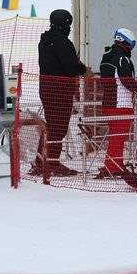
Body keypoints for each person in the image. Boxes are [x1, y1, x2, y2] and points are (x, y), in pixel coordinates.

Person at [34, 9, 87, 177]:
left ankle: (41, 161)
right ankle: (51, 163)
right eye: (68, 24)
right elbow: (70, 67)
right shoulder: (63, 43)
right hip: (60, 90)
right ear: (65, 24)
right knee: (59, 128)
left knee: (52, 126)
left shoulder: (44, 41)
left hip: (46, 88)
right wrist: (84, 69)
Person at [98, 28, 137, 178]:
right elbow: (127, 81)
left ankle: (115, 163)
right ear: (128, 42)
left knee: (115, 136)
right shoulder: (122, 58)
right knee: (118, 137)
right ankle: (113, 167)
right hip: (121, 103)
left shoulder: (106, 56)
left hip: (108, 102)